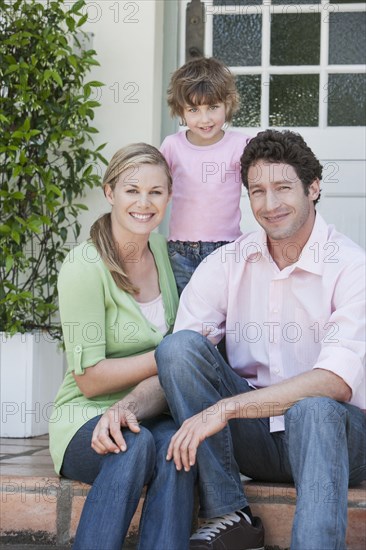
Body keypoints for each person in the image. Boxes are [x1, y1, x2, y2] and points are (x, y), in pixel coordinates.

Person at [156, 130, 366, 550]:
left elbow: (334, 382)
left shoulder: (351, 266)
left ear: (314, 187)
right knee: (177, 348)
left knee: (314, 410)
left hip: (339, 437)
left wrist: (226, 408)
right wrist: (125, 407)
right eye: (258, 191)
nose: (270, 205)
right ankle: (231, 514)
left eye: (283, 188)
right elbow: (178, 360)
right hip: (257, 438)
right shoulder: (228, 262)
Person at [49, 143, 196, 550]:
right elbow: (91, 379)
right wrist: (168, 357)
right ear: (110, 192)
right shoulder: (84, 266)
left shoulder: (163, 252)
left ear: (168, 197)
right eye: (132, 190)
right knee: (135, 445)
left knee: (179, 445)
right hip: (84, 417)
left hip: (149, 408)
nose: (144, 203)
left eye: (156, 192)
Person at [160, 56, 251, 294]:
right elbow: (156, 188)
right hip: (181, 250)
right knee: (186, 313)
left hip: (226, 248)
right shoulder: (172, 146)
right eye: (194, 109)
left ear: (227, 104)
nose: (205, 119)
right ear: (180, 111)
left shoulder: (240, 145)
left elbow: (260, 184)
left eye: (212, 107)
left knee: (224, 314)